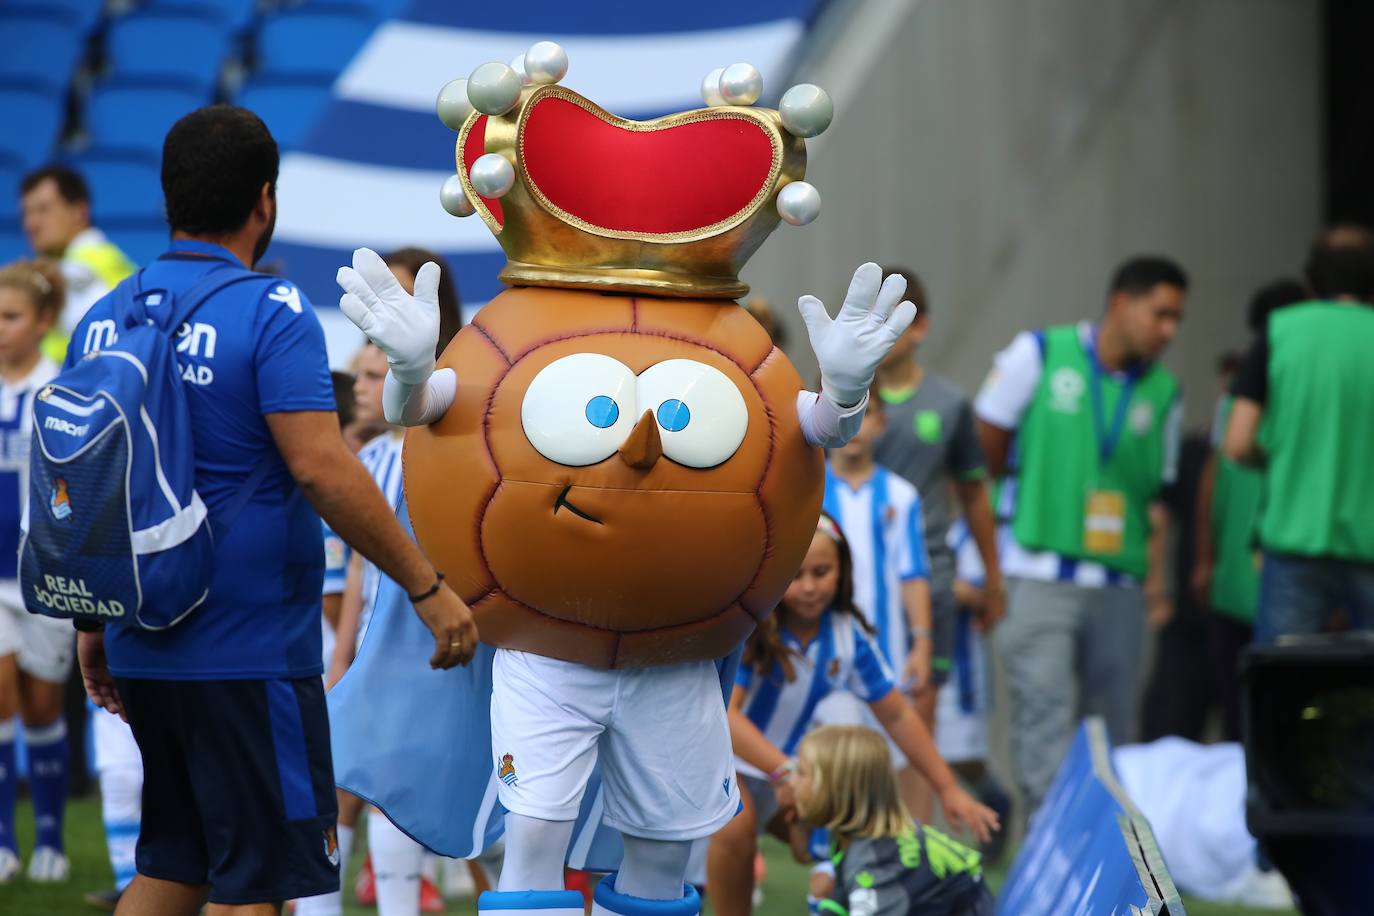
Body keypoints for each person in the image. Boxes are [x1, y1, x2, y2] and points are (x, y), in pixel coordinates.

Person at [66, 105, 478, 916]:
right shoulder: (269, 309)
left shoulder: (106, 313)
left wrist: (93, 626)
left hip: (141, 638)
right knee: (256, 888)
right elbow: (323, 470)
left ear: (166, 197)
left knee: (173, 867)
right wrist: (427, 588)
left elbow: (97, 487)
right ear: (266, 200)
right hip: (246, 650)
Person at [975, 255, 1186, 813]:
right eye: (1160, 313)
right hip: (1037, 573)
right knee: (1043, 713)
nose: (1169, 330)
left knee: (1112, 727)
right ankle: (1047, 861)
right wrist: (986, 561)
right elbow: (982, 451)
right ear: (1121, 302)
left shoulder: (1164, 391)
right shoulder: (1040, 353)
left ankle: (1102, 854)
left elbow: (1156, 502)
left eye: (1177, 319)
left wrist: (1158, 585)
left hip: (1119, 584)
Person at [706, 515, 998, 916]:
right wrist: (785, 772)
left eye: (821, 572)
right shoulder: (754, 627)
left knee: (841, 824)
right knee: (736, 824)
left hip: (790, 772)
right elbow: (726, 716)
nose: (809, 587)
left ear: (843, 571)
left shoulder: (848, 635)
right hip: (727, 761)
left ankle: (837, 887)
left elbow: (897, 716)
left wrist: (946, 787)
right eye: (796, 575)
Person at [871, 268, 1003, 767]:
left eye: (892, 322)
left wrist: (993, 578)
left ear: (919, 327)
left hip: (929, 576)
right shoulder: (837, 398)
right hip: (852, 576)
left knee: (922, 709)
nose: (878, 333)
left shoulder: (949, 405)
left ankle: (914, 839)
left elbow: (974, 494)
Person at [1225, 227, 1374, 642]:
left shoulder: (1280, 330)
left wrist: (1279, 456)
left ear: (1311, 286)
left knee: (1283, 687)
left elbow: (1236, 442)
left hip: (1295, 539)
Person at [1193, 279, 1305, 739]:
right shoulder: (1244, 391)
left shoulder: (1277, 390)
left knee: (1269, 709)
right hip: (1247, 577)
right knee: (1249, 709)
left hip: (1282, 575)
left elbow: (1215, 472)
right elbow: (1213, 475)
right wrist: (1205, 559)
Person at [820, 394, 935, 819]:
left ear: (882, 424)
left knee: (883, 762)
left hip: (885, 650)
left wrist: (922, 644)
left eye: (866, 414)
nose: (857, 425)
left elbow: (913, 574)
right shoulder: (808, 487)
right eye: (846, 412)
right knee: (830, 760)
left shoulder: (901, 496)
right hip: (823, 649)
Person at [0, 259, 70, 884]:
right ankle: (4, 840)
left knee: (44, 709)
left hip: (43, 573)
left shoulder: (60, 389)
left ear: (45, 320)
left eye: (11, 316)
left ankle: (51, 837)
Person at [794, 725, 994, 916]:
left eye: (801, 773)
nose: (792, 782)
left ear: (836, 791)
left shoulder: (878, 866)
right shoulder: (860, 838)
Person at [18, 166, 135, 359]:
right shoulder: (105, 257)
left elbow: (90, 350)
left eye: (43, 209)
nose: (30, 224)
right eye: (26, 213)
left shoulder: (78, 268)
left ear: (79, 211)